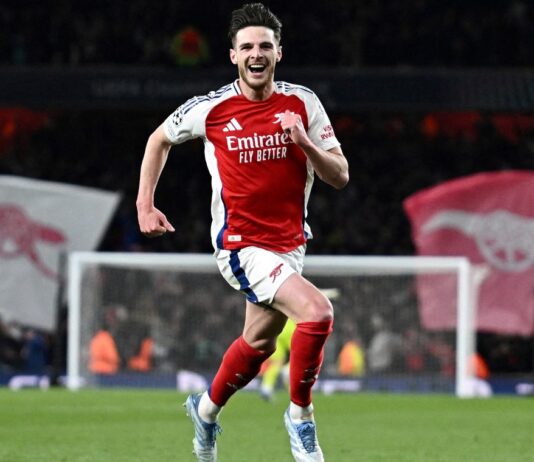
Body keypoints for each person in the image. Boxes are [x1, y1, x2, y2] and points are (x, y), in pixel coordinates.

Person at [136, 3, 349, 461]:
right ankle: (301, 418)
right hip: (241, 247)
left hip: (290, 245)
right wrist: (144, 204)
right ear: (233, 55)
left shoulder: (303, 103)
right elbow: (159, 139)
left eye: (265, 46)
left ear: (278, 53)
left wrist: (304, 142)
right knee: (317, 313)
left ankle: (205, 411)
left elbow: (340, 175)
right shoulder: (210, 108)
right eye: (247, 46)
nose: (257, 54)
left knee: (258, 344)